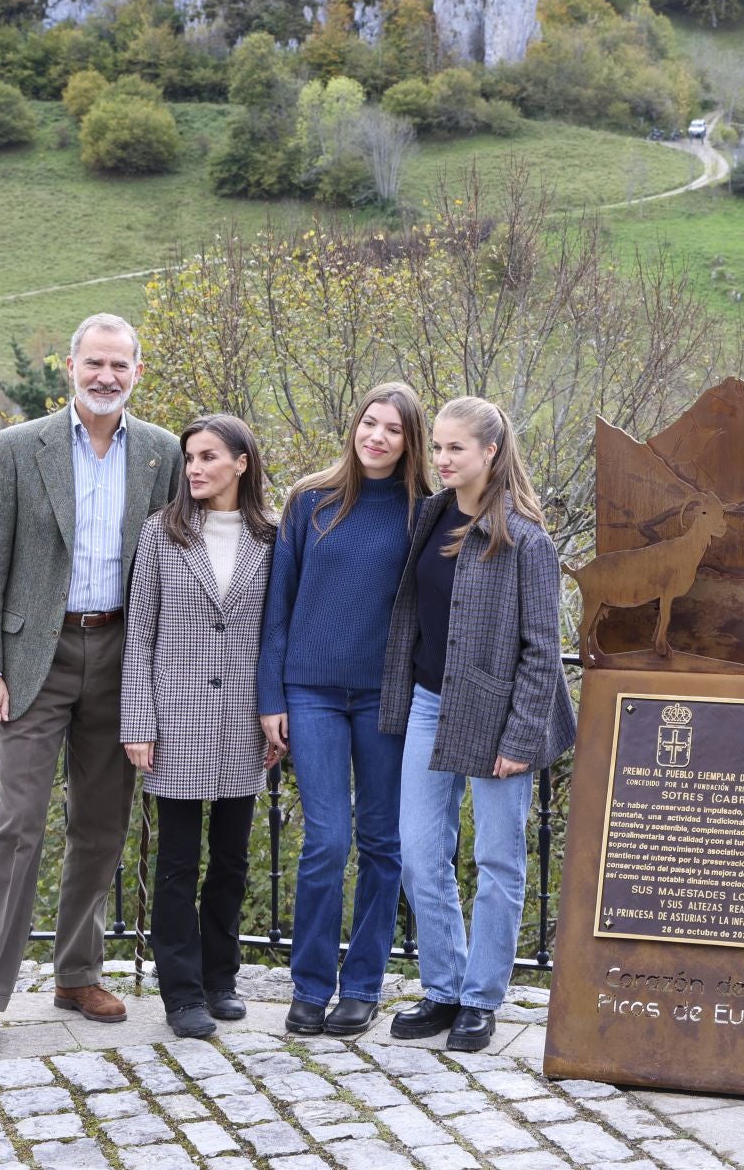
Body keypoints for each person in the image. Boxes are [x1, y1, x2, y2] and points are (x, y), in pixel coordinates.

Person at [0, 313, 183, 1058]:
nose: (107, 377)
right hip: (35, 661)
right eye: (95, 363)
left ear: (138, 372)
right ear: (71, 366)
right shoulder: (22, 448)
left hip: (121, 655)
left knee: (102, 823)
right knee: (15, 825)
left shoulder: (161, 453)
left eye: (120, 365)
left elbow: (176, 565)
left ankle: (77, 972)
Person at [378, 396, 576, 1052]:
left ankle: (481, 1001)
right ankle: (443, 987)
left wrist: (521, 739)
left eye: (454, 448)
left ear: (490, 452)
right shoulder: (430, 518)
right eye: (436, 447)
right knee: (419, 850)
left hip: (499, 717)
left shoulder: (526, 539)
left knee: (498, 858)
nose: (440, 459)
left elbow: (544, 651)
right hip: (431, 705)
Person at [257, 383, 431, 1039]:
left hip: (387, 698)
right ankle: (309, 986)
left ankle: (361, 987)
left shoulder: (425, 513)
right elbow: (279, 605)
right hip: (313, 692)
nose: (377, 436)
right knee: (326, 841)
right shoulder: (311, 501)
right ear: (353, 426)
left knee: (382, 843)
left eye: (392, 429)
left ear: (410, 441)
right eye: (369, 423)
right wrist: (270, 697)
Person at [120, 415, 278, 1038]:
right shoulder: (162, 533)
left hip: (243, 718)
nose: (194, 468)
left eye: (208, 456)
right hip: (174, 717)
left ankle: (222, 979)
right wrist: (138, 719)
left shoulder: (271, 537)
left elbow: (277, 633)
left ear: (241, 463)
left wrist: (274, 713)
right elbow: (140, 635)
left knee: (232, 862)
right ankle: (180, 993)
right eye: (190, 457)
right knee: (177, 863)